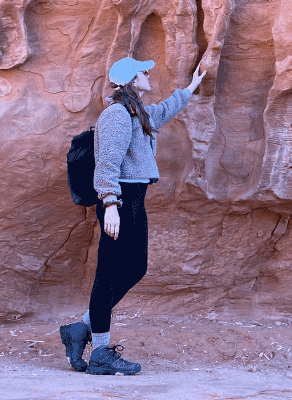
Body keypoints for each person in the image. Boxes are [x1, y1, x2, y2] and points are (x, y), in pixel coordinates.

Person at [60, 56, 205, 375]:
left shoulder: (136, 112)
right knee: (108, 273)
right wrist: (110, 204)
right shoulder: (116, 114)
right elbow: (107, 162)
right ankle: (99, 352)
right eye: (143, 71)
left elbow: (163, 111)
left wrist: (191, 87)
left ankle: (80, 329)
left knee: (136, 267)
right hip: (119, 201)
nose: (149, 74)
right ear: (129, 80)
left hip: (135, 199)